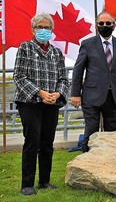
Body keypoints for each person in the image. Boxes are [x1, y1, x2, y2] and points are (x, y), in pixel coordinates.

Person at [13, 12, 69, 196]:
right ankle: (27, 184)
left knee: (47, 142)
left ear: (52, 30)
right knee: (32, 141)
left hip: (51, 102)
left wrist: (57, 93)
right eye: (40, 27)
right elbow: (19, 77)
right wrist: (40, 92)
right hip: (30, 102)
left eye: (47, 27)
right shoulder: (25, 48)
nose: (43, 30)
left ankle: (45, 181)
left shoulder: (56, 52)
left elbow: (63, 78)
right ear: (33, 29)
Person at [70, 11, 116, 153]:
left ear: (114, 25)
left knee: (112, 134)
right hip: (91, 97)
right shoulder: (87, 44)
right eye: (101, 23)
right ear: (96, 25)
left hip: (113, 97)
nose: (104, 26)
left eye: (108, 23)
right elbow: (78, 70)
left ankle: (109, 163)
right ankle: (87, 163)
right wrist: (75, 93)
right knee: (91, 132)